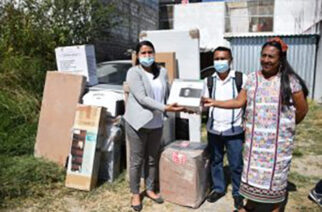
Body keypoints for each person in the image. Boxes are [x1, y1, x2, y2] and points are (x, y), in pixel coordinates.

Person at [202, 37, 309, 212]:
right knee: (252, 176)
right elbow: (238, 101)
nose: (266, 60)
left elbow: (302, 109)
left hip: (277, 146)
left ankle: (275, 207)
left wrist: (285, 128)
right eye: (263, 55)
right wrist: (214, 102)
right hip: (255, 145)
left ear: (280, 59)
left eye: (271, 57)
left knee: (275, 178)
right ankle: (250, 205)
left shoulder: (290, 81)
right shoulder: (252, 79)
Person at [124, 40, 185, 211]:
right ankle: (135, 193)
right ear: (137, 55)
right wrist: (165, 107)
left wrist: (187, 104)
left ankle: (150, 189)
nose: (147, 56)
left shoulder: (162, 72)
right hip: (138, 123)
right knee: (137, 160)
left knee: (152, 159)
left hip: (157, 123)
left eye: (150, 52)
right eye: (143, 53)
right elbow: (143, 98)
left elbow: (170, 93)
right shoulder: (133, 72)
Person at [203, 46, 246, 210]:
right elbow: (205, 105)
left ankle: (237, 192)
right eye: (217, 59)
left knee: (236, 164)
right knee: (216, 161)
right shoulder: (208, 80)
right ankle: (219, 188)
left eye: (223, 58)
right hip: (214, 129)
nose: (220, 62)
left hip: (234, 129)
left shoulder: (241, 78)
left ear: (231, 60)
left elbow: (243, 102)